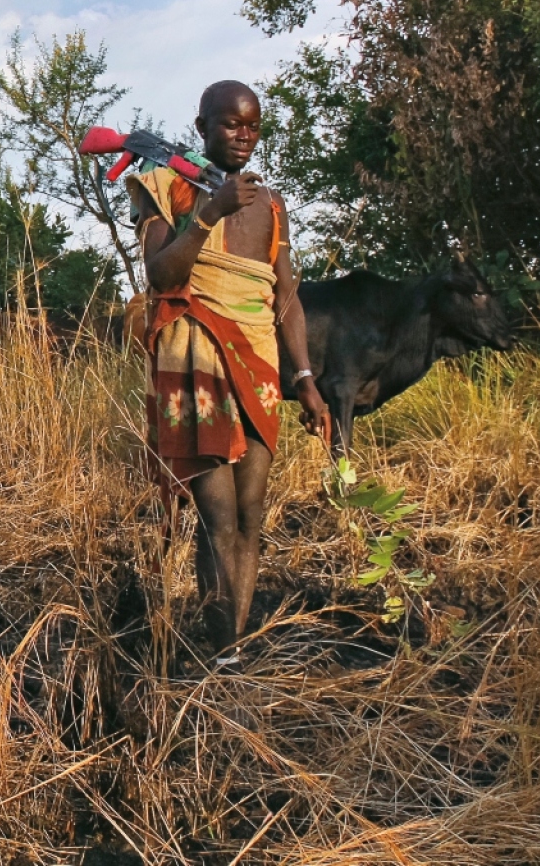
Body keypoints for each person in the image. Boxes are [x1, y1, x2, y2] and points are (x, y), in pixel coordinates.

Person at [128, 80, 328, 662]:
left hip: (261, 361)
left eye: (252, 126)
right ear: (203, 129)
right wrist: (209, 213)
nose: (243, 135)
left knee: (250, 514)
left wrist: (306, 379)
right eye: (230, 124)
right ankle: (224, 656)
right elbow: (163, 277)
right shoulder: (167, 187)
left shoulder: (270, 205)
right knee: (216, 515)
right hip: (197, 357)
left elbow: (285, 296)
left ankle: (233, 650)